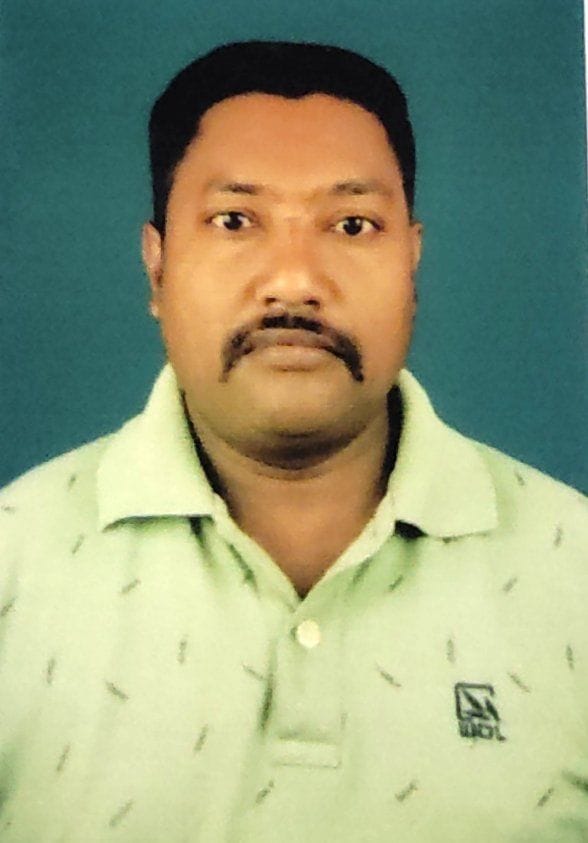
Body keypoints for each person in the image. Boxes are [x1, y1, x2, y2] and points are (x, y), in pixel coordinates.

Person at [0, 40, 586, 843]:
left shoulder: (570, 568)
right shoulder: (14, 566)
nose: (295, 279)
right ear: (157, 267)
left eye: (352, 224)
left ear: (413, 263)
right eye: (235, 220)